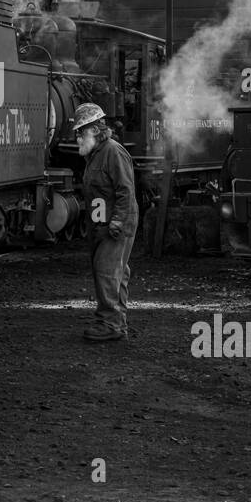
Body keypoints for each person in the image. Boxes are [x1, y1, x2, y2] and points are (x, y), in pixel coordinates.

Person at [73, 102, 138, 342]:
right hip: (103, 225)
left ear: (96, 129)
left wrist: (118, 221)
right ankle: (116, 323)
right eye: (77, 132)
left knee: (107, 272)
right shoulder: (95, 154)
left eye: (82, 131)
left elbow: (125, 190)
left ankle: (109, 324)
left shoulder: (113, 151)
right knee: (115, 273)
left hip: (115, 225)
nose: (78, 136)